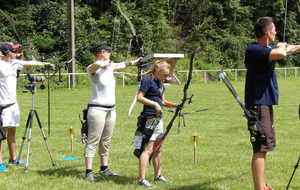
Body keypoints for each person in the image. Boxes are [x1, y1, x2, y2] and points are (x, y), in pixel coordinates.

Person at [244, 17, 300, 190]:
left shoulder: (266, 49)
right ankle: (259, 188)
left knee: (264, 146)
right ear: (268, 32)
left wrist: (294, 47)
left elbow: (288, 50)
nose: (276, 32)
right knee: (260, 147)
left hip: (264, 104)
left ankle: (262, 185)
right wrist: (282, 46)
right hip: (258, 104)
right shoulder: (254, 49)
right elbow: (281, 53)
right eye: (274, 29)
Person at [84, 44, 140, 181]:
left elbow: (124, 64)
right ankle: (88, 172)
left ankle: (104, 168)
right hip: (97, 109)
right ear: (99, 54)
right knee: (93, 140)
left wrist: (136, 62)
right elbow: (96, 66)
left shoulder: (111, 66)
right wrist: (104, 63)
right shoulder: (92, 68)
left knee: (106, 140)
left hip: (111, 109)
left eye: (107, 52)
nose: (106, 54)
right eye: (103, 52)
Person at [0, 42, 49, 172]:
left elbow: (28, 63)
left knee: (12, 132)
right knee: (1, 135)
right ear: (6, 52)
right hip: (2, 105)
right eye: (13, 51)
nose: (16, 52)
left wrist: (44, 64)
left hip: (12, 104)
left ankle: (13, 158)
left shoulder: (14, 63)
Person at [135, 61, 179, 188]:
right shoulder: (147, 80)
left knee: (157, 149)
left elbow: (162, 101)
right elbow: (139, 97)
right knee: (147, 150)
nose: (166, 78)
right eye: (164, 75)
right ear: (158, 71)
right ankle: (141, 179)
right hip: (150, 118)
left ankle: (158, 175)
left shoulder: (160, 83)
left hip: (158, 118)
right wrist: (155, 105)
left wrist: (175, 105)